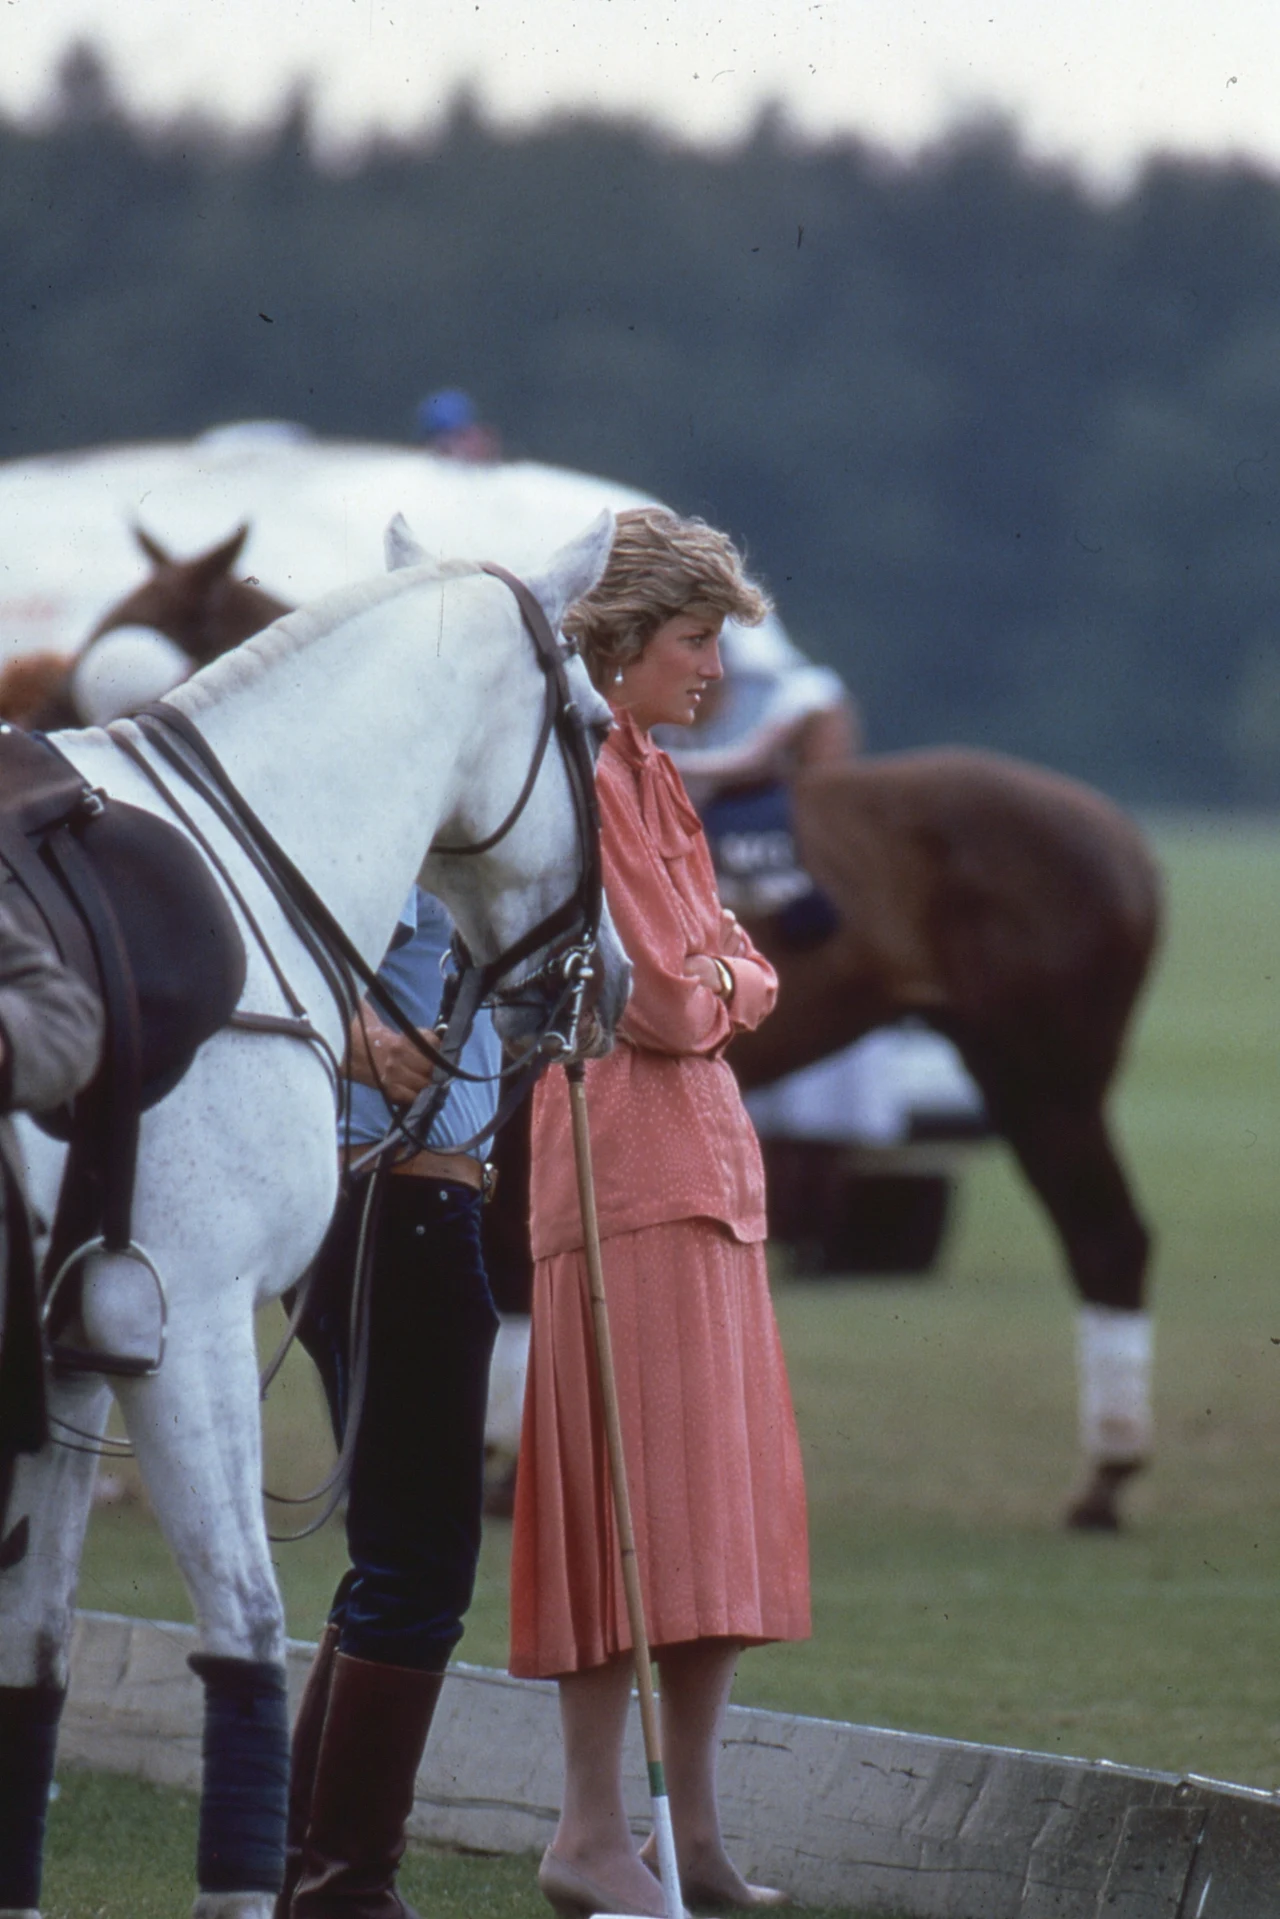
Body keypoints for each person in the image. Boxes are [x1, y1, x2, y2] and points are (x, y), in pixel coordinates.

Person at [510, 507, 810, 1918]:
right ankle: (588, 1830)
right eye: (696, 640)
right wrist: (723, 984)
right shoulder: (585, 778)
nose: (716, 670)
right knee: (623, 1507)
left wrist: (724, 983)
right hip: (623, 1167)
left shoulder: (662, 773)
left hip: (711, 1172)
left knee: (715, 1523)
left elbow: (739, 969)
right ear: (621, 641)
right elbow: (663, 994)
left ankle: (689, 1829)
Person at [280, 886, 501, 1919]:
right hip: (394, 1199)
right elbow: (258, 938)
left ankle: (314, 1869)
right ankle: (344, 1886)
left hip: (406, 1196)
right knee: (418, 1559)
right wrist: (350, 1036)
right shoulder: (396, 808)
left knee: (398, 1551)